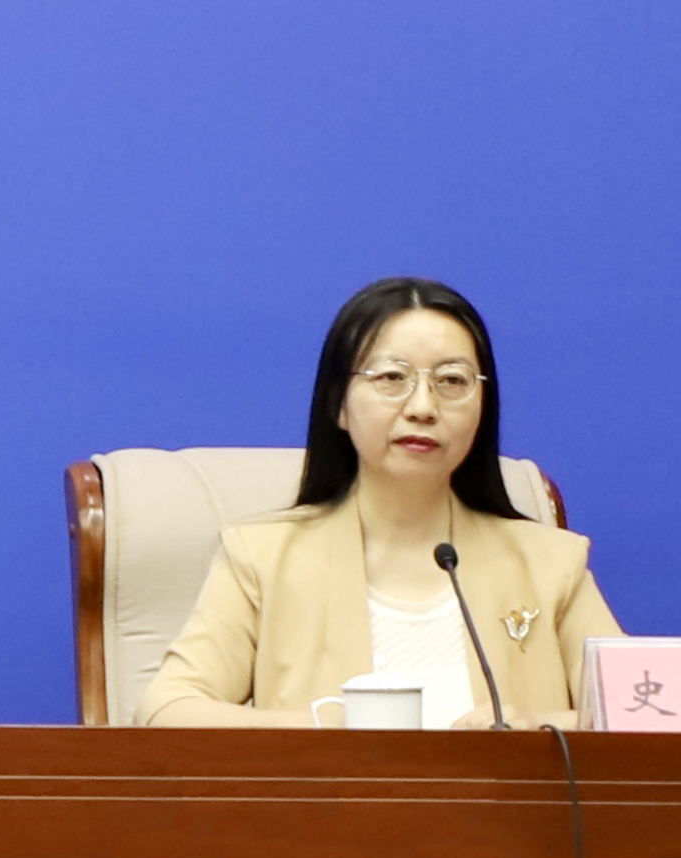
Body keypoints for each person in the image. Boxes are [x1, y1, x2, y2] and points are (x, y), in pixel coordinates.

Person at [136, 277, 624, 729]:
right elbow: (165, 710)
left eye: (452, 381)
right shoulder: (262, 559)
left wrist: (534, 729)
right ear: (339, 405)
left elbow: (636, 712)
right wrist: (330, 729)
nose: (423, 407)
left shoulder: (550, 564)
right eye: (392, 377)